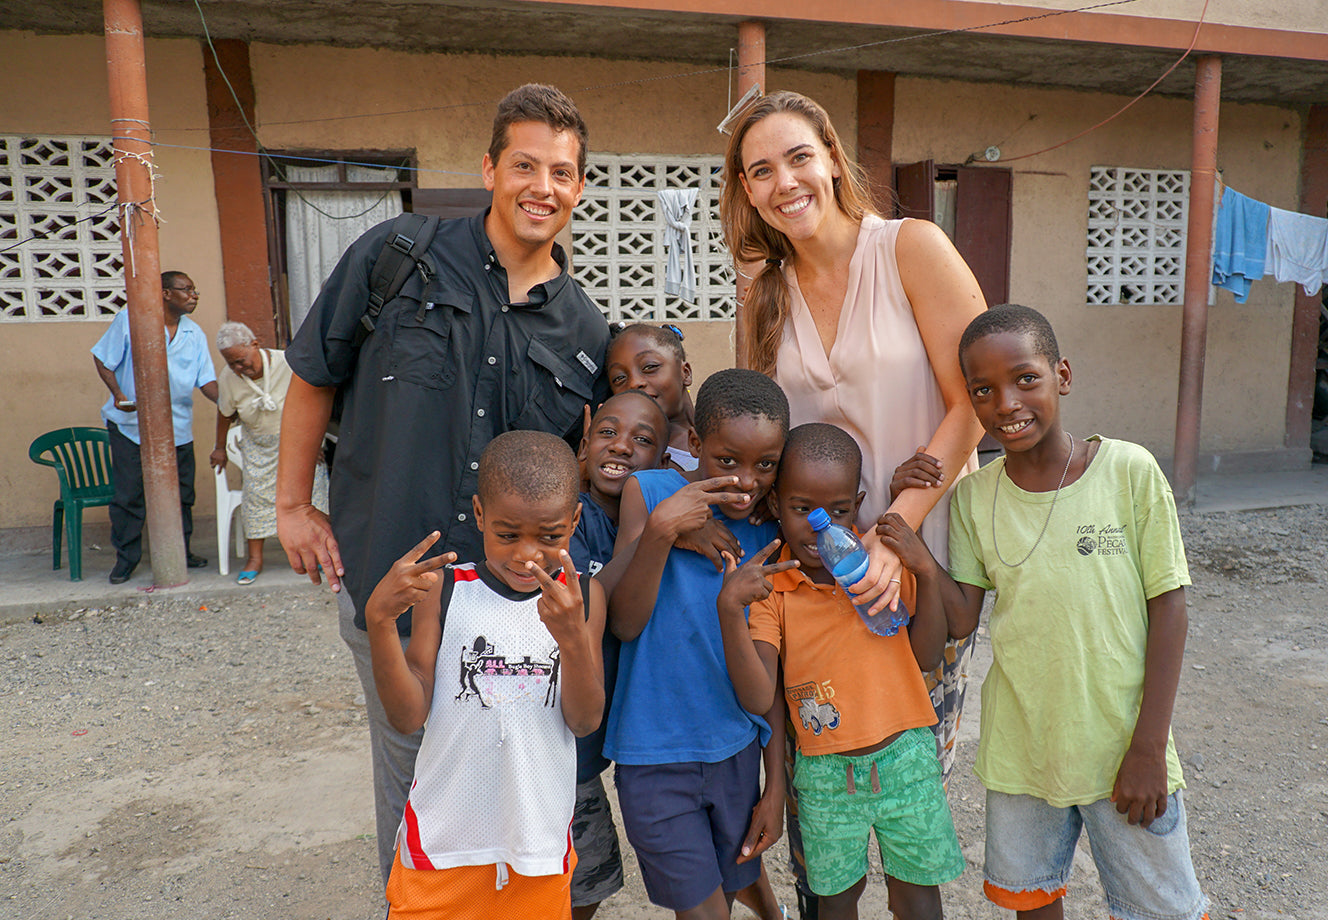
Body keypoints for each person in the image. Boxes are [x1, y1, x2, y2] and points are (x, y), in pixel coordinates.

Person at [276, 83, 612, 882]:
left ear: (580, 187)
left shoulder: (588, 333)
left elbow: (578, 481)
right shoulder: (397, 257)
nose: (543, 186)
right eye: (525, 164)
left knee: (513, 799)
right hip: (397, 582)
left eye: (562, 172)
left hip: (514, 616)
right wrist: (290, 506)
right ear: (490, 167)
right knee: (414, 800)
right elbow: (314, 374)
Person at [720, 89, 988, 912]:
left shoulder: (911, 248)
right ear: (747, 191)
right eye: (759, 171)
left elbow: (973, 401)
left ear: (833, 157)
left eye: (798, 156)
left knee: (909, 796)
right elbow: (759, 436)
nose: (784, 182)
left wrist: (892, 533)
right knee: (825, 804)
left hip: (920, 564)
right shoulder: (763, 291)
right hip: (813, 589)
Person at [946, 304, 1207, 920]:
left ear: (1062, 375)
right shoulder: (973, 497)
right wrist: (913, 549)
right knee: (1031, 900)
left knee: (1160, 909)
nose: (1006, 403)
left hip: (1122, 745)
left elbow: (1169, 607)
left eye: (1025, 379)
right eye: (984, 390)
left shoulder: (1127, 471)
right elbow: (960, 621)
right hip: (1022, 749)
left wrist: (1148, 747)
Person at [716, 422, 971, 919]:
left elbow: (924, 656)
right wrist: (730, 611)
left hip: (908, 760)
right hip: (826, 775)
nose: (820, 525)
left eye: (838, 510)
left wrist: (919, 568)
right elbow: (757, 695)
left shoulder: (880, 563)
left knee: (919, 898)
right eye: (801, 509)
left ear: (857, 504)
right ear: (775, 507)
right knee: (834, 901)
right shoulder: (775, 590)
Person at [365, 430, 606, 919]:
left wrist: (573, 641)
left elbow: (584, 721)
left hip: (535, 847)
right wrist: (380, 622)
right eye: (507, 534)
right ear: (479, 515)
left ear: (575, 521)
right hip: (443, 845)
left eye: (551, 536)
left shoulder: (582, 600)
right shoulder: (447, 590)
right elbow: (408, 715)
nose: (527, 555)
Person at [605, 368, 789, 920]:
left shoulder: (770, 530)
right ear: (693, 445)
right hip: (653, 756)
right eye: (726, 461)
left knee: (726, 900)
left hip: (735, 755)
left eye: (766, 466)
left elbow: (773, 677)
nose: (745, 481)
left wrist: (774, 785)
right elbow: (624, 622)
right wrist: (665, 532)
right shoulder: (652, 494)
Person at [567, 389, 668, 920]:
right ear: (584, 443)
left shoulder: (655, 513)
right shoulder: (570, 518)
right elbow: (590, 600)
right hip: (560, 743)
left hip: (614, 735)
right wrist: (655, 535)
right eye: (608, 432)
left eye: (643, 440)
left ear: (664, 459)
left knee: (590, 881)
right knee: (580, 879)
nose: (622, 446)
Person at [92, 270, 218, 585]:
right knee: (129, 495)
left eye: (194, 289)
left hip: (178, 428)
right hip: (130, 425)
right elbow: (102, 359)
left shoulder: (195, 333)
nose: (194, 295)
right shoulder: (130, 319)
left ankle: (182, 551)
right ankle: (126, 559)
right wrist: (119, 395)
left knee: (182, 494)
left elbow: (207, 381)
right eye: (186, 289)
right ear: (164, 293)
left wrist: (231, 403)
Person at [209, 321, 329, 585]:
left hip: (298, 440)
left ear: (255, 344)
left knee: (313, 496)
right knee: (256, 499)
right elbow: (224, 413)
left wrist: (316, 441)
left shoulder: (288, 363)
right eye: (233, 364)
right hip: (259, 444)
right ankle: (255, 559)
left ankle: (319, 554)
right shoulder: (229, 378)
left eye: (242, 360)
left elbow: (317, 400)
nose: (239, 368)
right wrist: (219, 448)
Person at [605, 322, 699, 471]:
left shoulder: (722, 431)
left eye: (650, 367)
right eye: (620, 378)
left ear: (685, 373)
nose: (634, 383)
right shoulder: (634, 457)